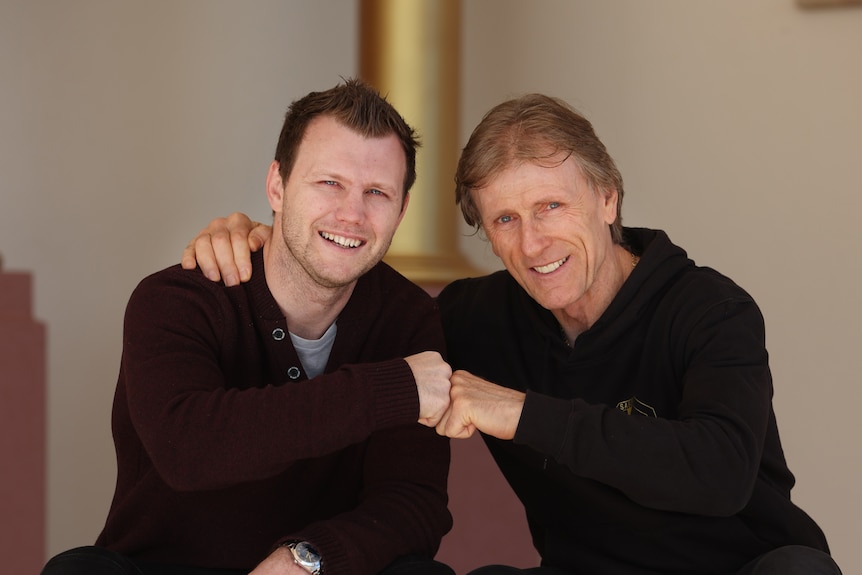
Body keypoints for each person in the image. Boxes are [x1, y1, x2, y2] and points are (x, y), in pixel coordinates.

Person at [183, 94, 842, 575]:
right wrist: (266, 246)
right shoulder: (473, 318)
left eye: (552, 206)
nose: (533, 243)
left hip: (750, 566)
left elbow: (718, 471)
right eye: (504, 218)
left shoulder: (710, 309)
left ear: (607, 197)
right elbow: (354, 326)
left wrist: (522, 413)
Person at [41, 79, 456, 575]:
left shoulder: (408, 318)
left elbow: (413, 503)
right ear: (277, 186)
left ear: (402, 210)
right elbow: (188, 449)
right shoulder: (176, 300)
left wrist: (309, 558)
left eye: (377, 192)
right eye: (330, 183)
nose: (352, 214)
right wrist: (392, 389)